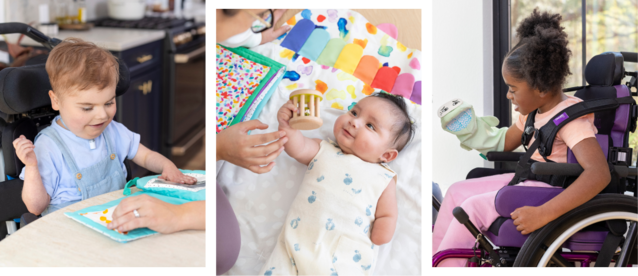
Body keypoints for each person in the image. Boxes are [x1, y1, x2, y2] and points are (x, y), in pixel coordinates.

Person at [430, 8, 611, 268]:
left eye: (513, 89)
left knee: (472, 208)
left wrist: (544, 214)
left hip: (551, 190)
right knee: (457, 191)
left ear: (541, 88)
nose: (508, 96)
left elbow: (599, 174)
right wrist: (471, 130)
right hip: (529, 180)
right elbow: (504, 141)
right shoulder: (533, 112)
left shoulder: (572, 120)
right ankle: (434, 260)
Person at [14, 37, 197, 219]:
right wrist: (31, 166)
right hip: (69, 231)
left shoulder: (112, 131)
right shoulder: (48, 147)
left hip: (115, 219)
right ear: (56, 100)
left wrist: (168, 166)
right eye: (87, 108)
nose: (102, 115)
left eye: (109, 102)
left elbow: (147, 156)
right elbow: (35, 207)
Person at [257, 92, 415, 275]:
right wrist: (287, 126)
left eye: (370, 125)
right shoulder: (323, 149)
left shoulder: (383, 177)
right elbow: (298, 148)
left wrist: (382, 233)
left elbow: (387, 214)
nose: (354, 122)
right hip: (294, 245)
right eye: (354, 113)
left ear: (387, 155)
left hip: (340, 255)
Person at [212, 8, 291, 276]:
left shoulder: (227, 32)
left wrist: (258, 36)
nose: (257, 24)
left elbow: (234, 36)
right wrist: (219, 148)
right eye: (259, 15)